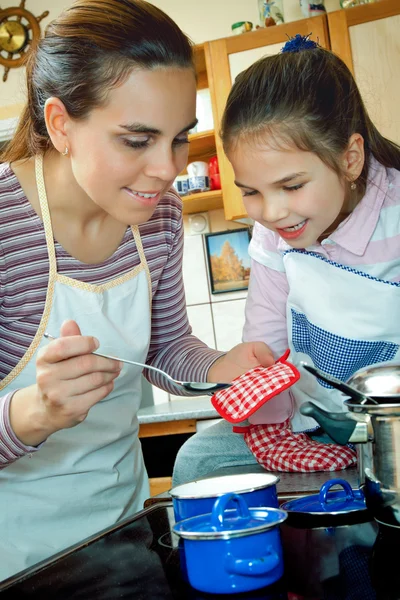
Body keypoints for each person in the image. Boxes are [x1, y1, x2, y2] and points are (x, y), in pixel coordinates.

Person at [0, 0, 275, 581]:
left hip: (124, 537)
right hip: (15, 562)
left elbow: (166, 352)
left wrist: (223, 365)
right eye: (136, 140)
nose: (166, 168)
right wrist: (35, 412)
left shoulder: (161, 217)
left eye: (180, 139)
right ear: (59, 124)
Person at [172, 35, 400, 485]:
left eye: (292, 186)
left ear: (350, 158)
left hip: (392, 427)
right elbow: (266, 340)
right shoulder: (274, 235)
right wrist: (270, 423)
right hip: (316, 420)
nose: (272, 213)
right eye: (251, 192)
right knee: (199, 461)